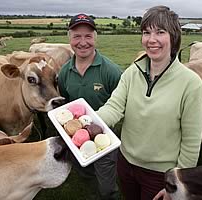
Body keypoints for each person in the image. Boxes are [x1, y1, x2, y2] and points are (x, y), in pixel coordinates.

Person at [96, 5, 202, 200]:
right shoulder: (132, 72)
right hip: (126, 163)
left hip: (160, 175)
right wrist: (89, 121)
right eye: (146, 32)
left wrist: (177, 184)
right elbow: (113, 107)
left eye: (160, 32)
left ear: (174, 37)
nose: (151, 39)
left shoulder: (191, 83)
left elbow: (191, 142)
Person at [58, 13, 122, 200]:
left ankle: (108, 194)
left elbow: (122, 105)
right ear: (69, 38)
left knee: (106, 185)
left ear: (96, 38)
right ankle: (91, 183)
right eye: (77, 36)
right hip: (76, 137)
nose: (83, 42)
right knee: (83, 168)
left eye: (88, 36)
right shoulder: (64, 72)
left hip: (105, 139)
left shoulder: (111, 72)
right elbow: (66, 102)